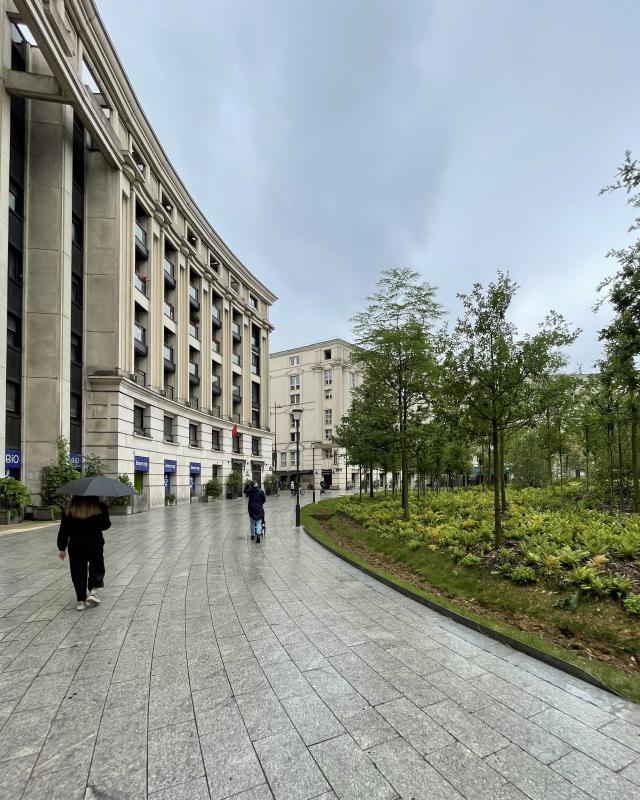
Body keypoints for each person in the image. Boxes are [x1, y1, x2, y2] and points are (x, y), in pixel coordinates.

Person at [57, 495, 111, 610]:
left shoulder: (69, 509)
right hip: (94, 543)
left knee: (77, 571)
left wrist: (62, 548)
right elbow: (106, 525)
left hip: (76, 544)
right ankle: (92, 592)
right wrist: (103, 505)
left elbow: (64, 529)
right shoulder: (99, 506)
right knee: (96, 566)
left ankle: (81, 600)